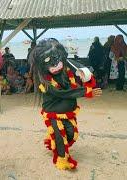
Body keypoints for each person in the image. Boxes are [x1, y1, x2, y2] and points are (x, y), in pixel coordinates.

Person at [31, 38, 102, 170]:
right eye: (49, 62)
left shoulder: (66, 65)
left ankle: (52, 140)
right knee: (60, 138)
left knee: (72, 135)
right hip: (53, 113)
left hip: (68, 111)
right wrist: (85, 91)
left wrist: (86, 75)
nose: (55, 64)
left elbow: (80, 68)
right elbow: (62, 93)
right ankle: (62, 160)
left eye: (57, 59)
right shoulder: (45, 81)